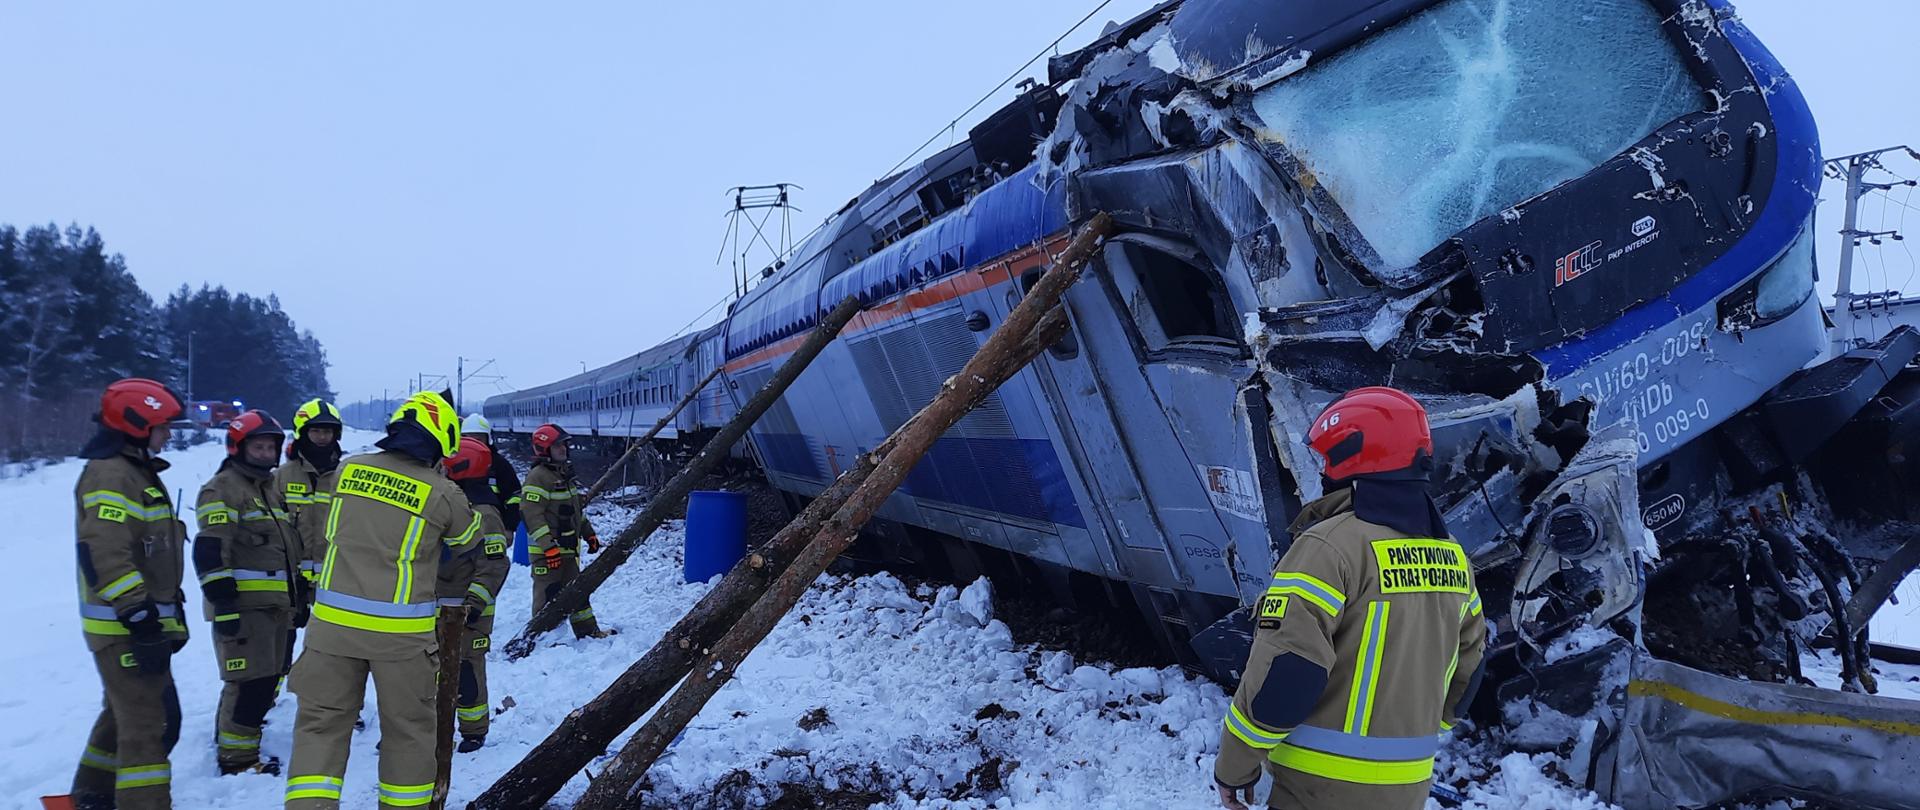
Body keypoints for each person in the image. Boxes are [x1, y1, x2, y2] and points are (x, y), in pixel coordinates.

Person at [1213, 387, 1488, 810]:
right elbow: (1469, 671)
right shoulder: (1454, 557)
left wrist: (1234, 767)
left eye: (1326, 460)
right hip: (1408, 789)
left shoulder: (1328, 548)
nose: (1323, 471)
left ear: (1349, 457)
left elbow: (1287, 673)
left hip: (1317, 790)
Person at [283, 391, 481, 809]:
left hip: (331, 631)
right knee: (408, 732)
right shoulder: (442, 493)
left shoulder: (348, 469)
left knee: (320, 728)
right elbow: (469, 543)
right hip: (401, 640)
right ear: (442, 440)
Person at [69, 378, 189, 810]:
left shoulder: (133, 471)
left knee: (122, 715)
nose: (169, 434)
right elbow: (103, 551)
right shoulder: (111, 474)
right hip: (124, 627)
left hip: (134, 624)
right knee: (150, 725)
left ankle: (92, 795)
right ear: (137, 424)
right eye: (163, 426)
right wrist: (138, 614)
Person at [192, 410, 302, 776]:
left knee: (266, 680)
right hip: (242, 608)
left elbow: (283, 550)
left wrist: (297, 596)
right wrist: (223, 602)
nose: (267, 453)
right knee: (247, 683)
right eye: (258, 447)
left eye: (271, 447)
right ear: (238, 447)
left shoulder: (268, 489)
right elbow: (210, 547)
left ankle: (235, 743)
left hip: (274, 608)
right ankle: (236, 760)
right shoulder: (223, 488)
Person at [437, 437, 511, 752]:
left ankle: (473, 731)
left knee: (466, 672)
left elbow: (495, 564)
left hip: (468, 614)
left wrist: (474, 605)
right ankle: (432, 727)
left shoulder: (484, 513)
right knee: (431, 670)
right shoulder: (450, 504)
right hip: (438, 608)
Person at [521, 424, 606, 638]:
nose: (563, 449)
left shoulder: (563, 475)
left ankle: (588, 632)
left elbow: (575, 512)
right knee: (547, 597)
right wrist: (548, 548)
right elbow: (532, 515)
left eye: (564, 445)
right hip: (547, 555)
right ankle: (541, 638)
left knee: (578, 593)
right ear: (544, 449)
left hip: (567, 552)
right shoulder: (538, 477)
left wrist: (589, 534)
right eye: (557, 445)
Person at [276, 399, 345, 589]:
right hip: (290, 580)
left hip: (333, 582)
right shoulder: (280, 477)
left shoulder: (345, 477)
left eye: (327, 431)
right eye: (315, 431)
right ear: (303, 432)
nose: (322, 437)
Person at [460, 413, 521, 533]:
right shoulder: (452, 463)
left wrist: (509, 527)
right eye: (469, 439)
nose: (473, 444)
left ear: (488, 439)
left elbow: (514, 496)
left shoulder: (499, 464)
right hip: (458, 530)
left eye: (478, 440)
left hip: (493, 528)